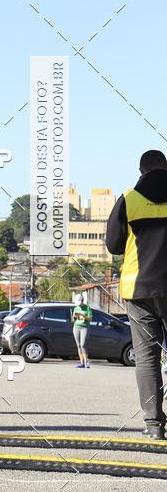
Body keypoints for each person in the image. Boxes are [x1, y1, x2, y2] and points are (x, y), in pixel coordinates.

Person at [106, 149, 167, 440]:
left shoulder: (128, 199)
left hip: (138, 288)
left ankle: (154, 425)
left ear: (141, 171)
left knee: (146, 358)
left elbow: (113, 245)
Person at [71, 293, 92, 368]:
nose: (79, 305)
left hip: (84, 327)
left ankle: (86, 362)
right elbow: (73, 321)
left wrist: (84, 316)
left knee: (83, 345)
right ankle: (82, 363)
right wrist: (73, 317)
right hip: (76, 327)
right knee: (79, 345)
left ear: (82, 300)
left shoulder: (87, 308)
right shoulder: (76, 308)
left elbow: (90, 319)